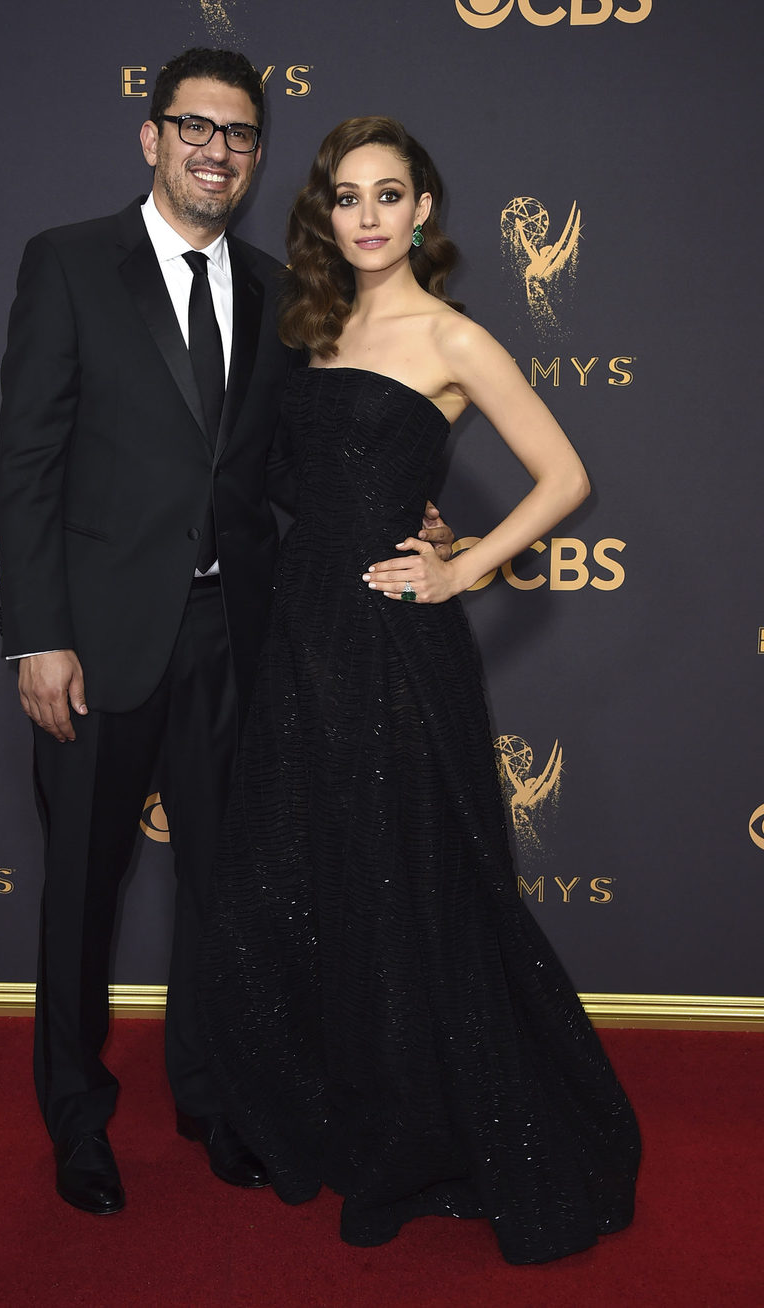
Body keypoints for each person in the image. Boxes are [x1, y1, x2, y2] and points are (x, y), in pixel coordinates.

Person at [0, 54, 451, 1216]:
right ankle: (77, 1120)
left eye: (240, 135)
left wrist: (416, 517)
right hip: (96, 644)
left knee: (225, 886)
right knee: (81, 897)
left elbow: (290, 468)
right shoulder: (68, 262)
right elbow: (28, 463)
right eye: (195, 126)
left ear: (255, 157)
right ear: (152, 138)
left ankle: (210, 1093)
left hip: (238, 637)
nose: (217, 149)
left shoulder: (276, 288)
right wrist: (37, 633)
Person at [198, 117, 641, 1264]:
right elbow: (318, 478)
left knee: (408, 882)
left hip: (393, 646)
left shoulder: (454, 336)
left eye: (389, 196)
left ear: (423, 211)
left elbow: (568, 475)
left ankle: (426, 1126)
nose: (368, 217)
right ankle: (322, 1110)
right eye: (347, 198)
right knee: (294, 874)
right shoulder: (314, 324)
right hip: (299, 629)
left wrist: (464, 563)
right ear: (327, 214)